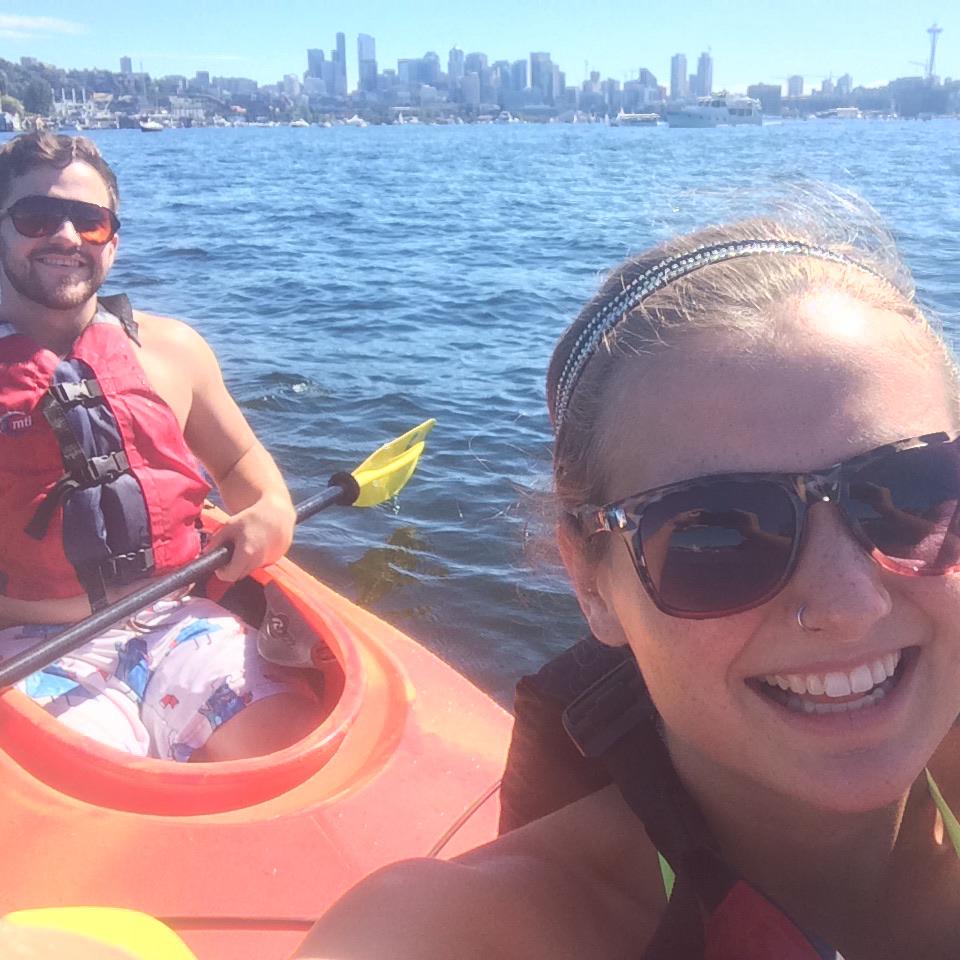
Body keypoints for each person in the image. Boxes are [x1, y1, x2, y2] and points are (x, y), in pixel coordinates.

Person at [294, 194, 960, 959]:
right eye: (714, 532)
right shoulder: (462, 935)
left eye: (912, 493)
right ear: (592, 583)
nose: (850, 603)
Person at [0, 131, 320, 761]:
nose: (66, 236)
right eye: (37, 216)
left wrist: (272, 515)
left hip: (179, 621)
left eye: (89, 222)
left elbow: (240, 465)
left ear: (112, 242)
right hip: (28, 644)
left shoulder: (174, 351)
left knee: (298, 759)